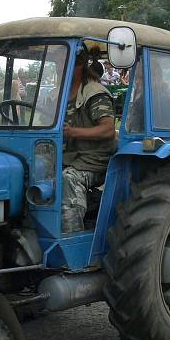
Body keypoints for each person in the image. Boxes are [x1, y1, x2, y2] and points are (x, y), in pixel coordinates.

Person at [61, 50, 116, 234]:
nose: (57, 69)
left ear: (78, 65)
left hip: (93, 160)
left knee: (69, 178)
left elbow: (108, 129)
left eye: (60, 63)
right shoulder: (59, 94)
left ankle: (71, 237)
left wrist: (73, 132)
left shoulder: (95, 93)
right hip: (68, 156)